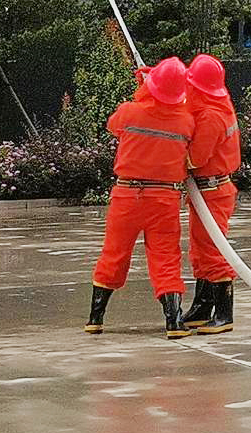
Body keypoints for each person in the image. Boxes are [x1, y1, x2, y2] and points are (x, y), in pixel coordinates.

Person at [87, 55, 196, 337]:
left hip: (127, 196)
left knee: (114, 253)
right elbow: (176, 109)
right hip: (165, 199)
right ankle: (174, 321)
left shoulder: (129, 112)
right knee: (166, 257)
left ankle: (95, 318)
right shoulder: (185, 121)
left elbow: (114, 127)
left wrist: (143, 90)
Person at [181, 53, 242, 336]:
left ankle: (223, 313)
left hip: (212, 189)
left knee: (213, 249)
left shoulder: (211, 116)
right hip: (207, 190)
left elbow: (195, 158)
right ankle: (203, 307)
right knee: (200, 249)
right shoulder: (214, 101)